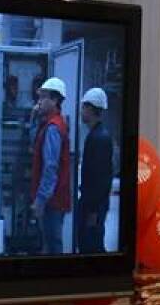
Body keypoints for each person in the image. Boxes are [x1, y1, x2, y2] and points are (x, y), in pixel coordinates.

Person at [30, 77, 72, 255]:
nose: (39, 100)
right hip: (52, 199)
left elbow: (50, 168)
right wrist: (33, 118)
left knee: (53, 245)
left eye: (44, 97)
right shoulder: (48, 124)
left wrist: (41, 200)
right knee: (49, 243)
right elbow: (33, 143)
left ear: (55, 100)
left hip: (52, 200)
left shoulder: (53, 128)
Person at [77, 87, 114, 254]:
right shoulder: (97, 135)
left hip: (94, 206)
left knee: (91, 246)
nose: (81, 111)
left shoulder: (99, 138)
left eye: (84, 107)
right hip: (92, 204)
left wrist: (92, 211)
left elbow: (99, 178)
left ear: (91, 109)